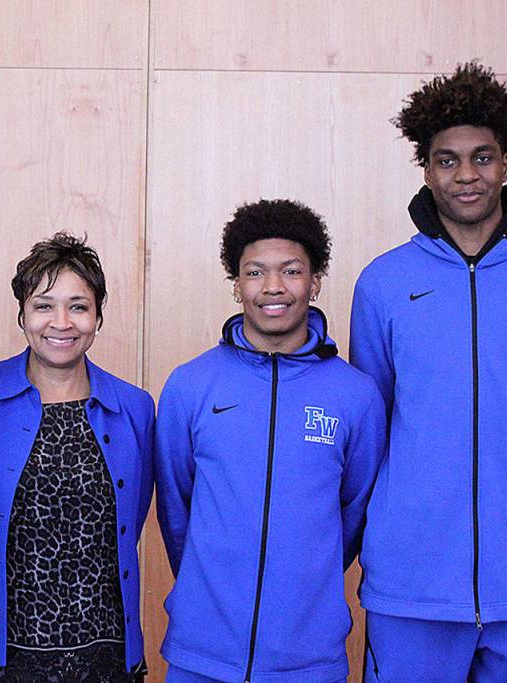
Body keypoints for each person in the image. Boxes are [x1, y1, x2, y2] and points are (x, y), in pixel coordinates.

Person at [350, 62, 507, 682]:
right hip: (412, 583)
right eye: (447, 160)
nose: (466, 175)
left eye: (482, 157)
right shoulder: (384, 282)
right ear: (426, 170)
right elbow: (370, 430)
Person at [155, 199, 386, 682]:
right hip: (202, 653)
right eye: (255, 272)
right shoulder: (190, 385)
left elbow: (354, 512)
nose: (273, 287)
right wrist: (206, 583)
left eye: (292, 271)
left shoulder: (356, 395)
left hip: (308, 658)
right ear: (236, 284)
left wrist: (306, 578)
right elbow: (176, 508)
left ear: (315, 281)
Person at [0, 232, 154, 682]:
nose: (61, 322)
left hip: (103, 655)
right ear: (22, 315)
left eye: (78, 306)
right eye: (44, 305)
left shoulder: (134, 408)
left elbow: (132, 520)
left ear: (98, 316)